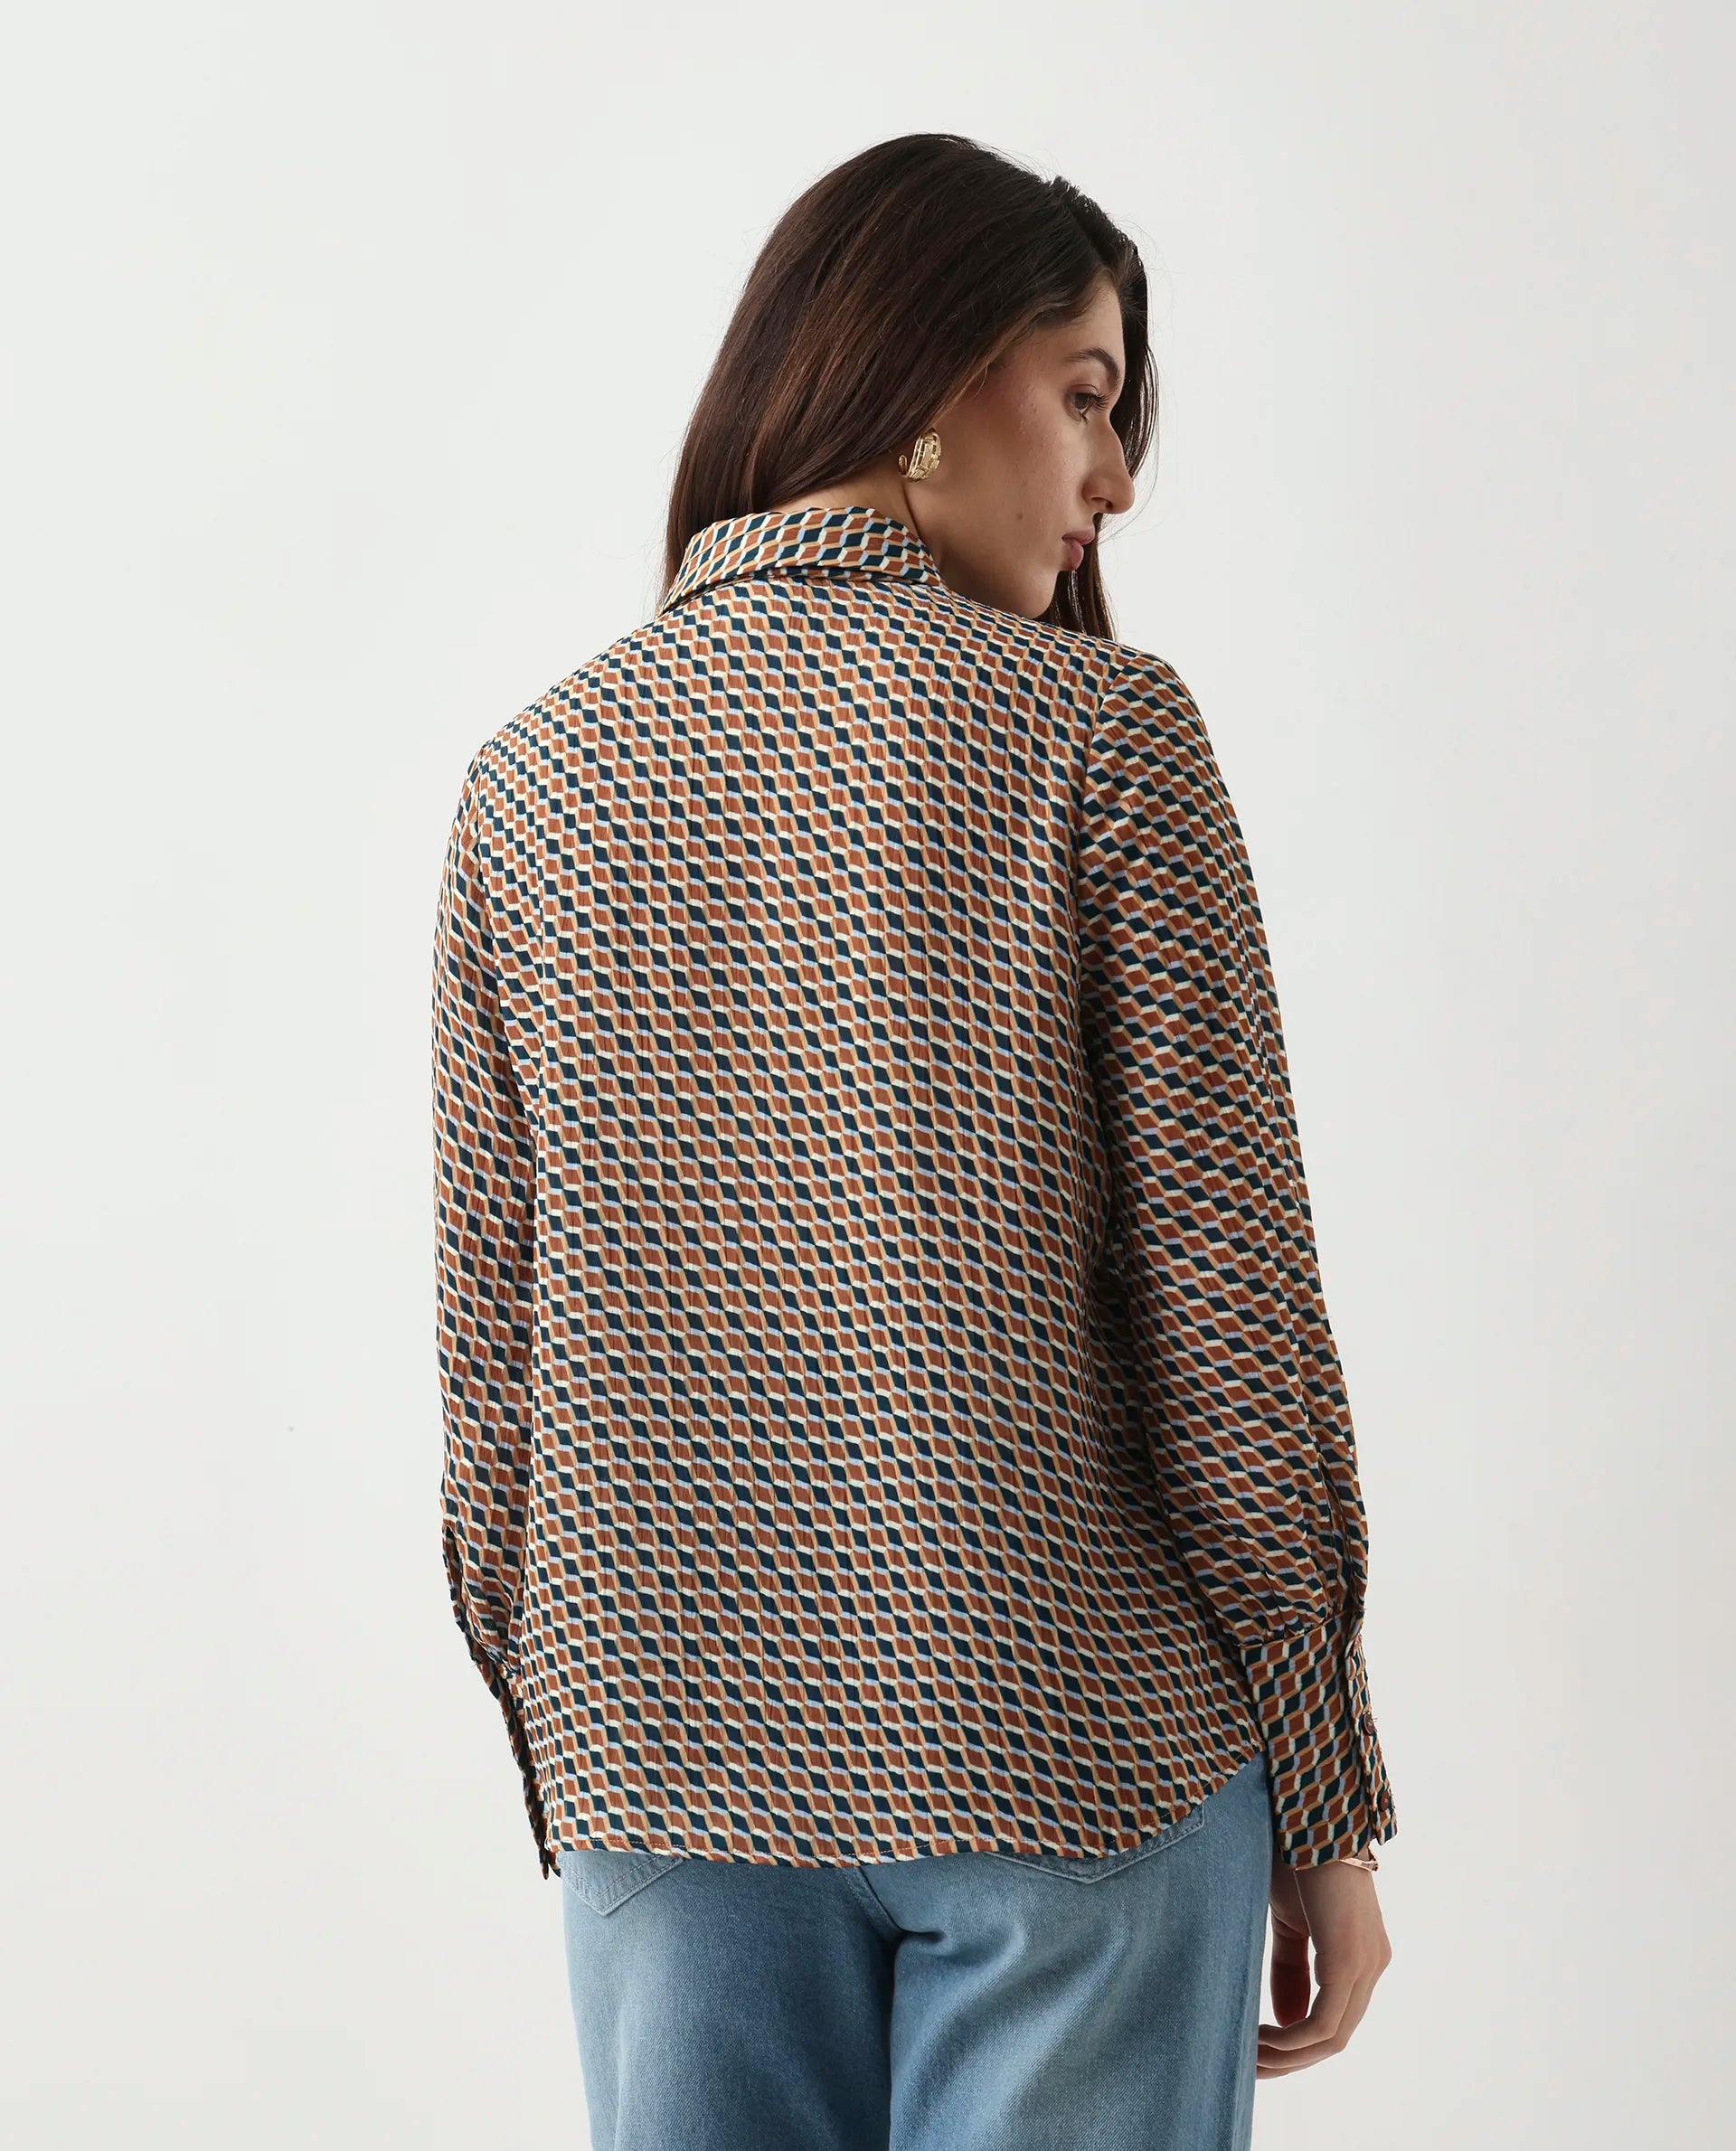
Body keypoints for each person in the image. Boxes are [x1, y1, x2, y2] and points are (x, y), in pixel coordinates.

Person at [432, 130, 1397, 2151]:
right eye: (1091, 396)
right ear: (939, 374)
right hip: (1074, 1747)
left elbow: (494, 1386)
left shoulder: (527, 784)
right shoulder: (1100, 731)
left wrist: (591, 1745)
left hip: (663, 1766)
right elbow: (1231, 1330)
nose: (1115, 480)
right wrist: (1323, 1798)